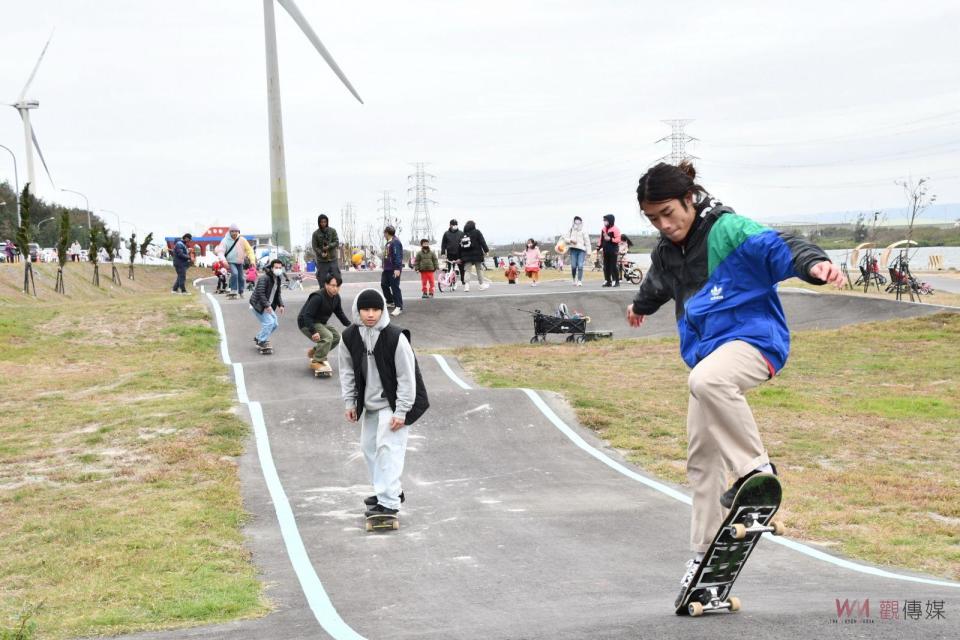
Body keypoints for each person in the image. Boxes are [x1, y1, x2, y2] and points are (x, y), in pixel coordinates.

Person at [624, 161, 845, 604]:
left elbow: (781, 245)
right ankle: (704, 557)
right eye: (653, 219)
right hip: (709, 357)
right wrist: (641, 305)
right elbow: (658, 282)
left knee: (707, 381)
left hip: (755, 342)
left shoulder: (728, 230)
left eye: (669, 212)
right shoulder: (667, 252)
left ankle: (756, 471)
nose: (665, 225)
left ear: (690, 198)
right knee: (701, 458)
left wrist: (814, 264)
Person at [339, 288, 429, 519]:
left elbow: (407, 377)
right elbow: (347, 372)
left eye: (376, 309)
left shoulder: (395, 337)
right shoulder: (349, 337)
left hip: (394, 403)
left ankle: (389, 504)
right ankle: (389, 492)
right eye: (365, 309)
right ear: (357, 311)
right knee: (369, 448)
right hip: (369, 404)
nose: (370, 314)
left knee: (388, 450)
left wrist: (401, 411)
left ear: (382, 310)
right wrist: (350, 402)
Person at [298, 272, 350, 374]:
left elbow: (340, 313)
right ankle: (316, 360)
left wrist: (350, 325)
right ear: (326, 285)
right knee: (328, 337)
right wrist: (313, 332)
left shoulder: (336, 297)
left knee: (337, 337)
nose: (336, 288)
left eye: (338, 286)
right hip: (306, 323)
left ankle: (315, 352)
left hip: (320, 322)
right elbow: (307, 315)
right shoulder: (317, 297)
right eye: (333, 285)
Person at [249, 258, 286, 352]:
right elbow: (260, 293)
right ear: (272, 268)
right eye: (276, 267)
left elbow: (277, 293)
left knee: (275, 324)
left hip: (267, 305)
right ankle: (261, 341)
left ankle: (259, 338)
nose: (278, 269)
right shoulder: (264, 278)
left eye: (280, 267)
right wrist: (267, 305)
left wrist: (281, 305)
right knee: (269, 322)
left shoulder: (278, 278)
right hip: (258, 305)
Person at [216, 224, 256, 299]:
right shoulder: (225, 240)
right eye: (232, 231)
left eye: (236, 231)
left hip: (240, 262)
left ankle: (241, 291)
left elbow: (249, 250)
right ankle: (234, 291)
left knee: (241, 277)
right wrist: (224, 261)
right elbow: (220, 252)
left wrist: (252, 260)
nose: (234, 233)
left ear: (238, 232)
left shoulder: (242, 240)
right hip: (230, 262)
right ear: (229, 232)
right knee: (235, 273)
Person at [459, 220, 489, 292]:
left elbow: (460, 246)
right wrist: (486, 250)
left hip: (466, 256)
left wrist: (460, 256)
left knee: (467, 270)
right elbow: (482, 241)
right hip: (477, 254)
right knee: (479, 269)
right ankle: (481, 285)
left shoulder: (463, 234)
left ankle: (466, 286)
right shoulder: (477, 232)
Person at [380, 226, 404, 316]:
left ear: (387, 233)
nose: (384, 235)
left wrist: (397, 268)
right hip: (387, 269)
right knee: (384, 284)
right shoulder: (388, 243)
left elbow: (397, 256)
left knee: (395, 287)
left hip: (393, 269)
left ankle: (399, 307)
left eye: (384, 233)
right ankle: (390, 301)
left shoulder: (395, 242)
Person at [311, 214, 341, 279]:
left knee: (337, 278)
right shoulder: (315, 234)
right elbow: (315, 247)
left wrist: (329, 246)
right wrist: (321, 253)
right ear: (319, 223)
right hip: (321, 261)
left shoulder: (332, 231)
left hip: (333, 259)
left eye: (325, 222)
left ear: (327, 222)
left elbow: (336, 242)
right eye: (321, 222)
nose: (323, 223)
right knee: (322, 280)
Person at [440, 219, 465, 289]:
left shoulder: (461, 233)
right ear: (450, 225)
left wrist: (464, 253)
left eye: (456, 225)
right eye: (453, 225)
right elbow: (443, 244)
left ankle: (463, 280)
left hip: (459, 254)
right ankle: (451, 281)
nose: (454, 226)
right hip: (450, 254)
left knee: (462, 268)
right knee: (450, 269)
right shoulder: (446, 233)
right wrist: (443, 252)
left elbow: (464, 243)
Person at [598, 214, 621, 287]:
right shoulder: (603, 229)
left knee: (613, 266)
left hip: (613, 250)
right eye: (604, 220)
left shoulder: (615, 229)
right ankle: (608, 281)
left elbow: (618, 239)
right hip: (606, 250)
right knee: (606, 266)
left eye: (606, 220)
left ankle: (616, 281)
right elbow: (601, 239)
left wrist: (610, 239)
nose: (604, 222)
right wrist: (598, 247)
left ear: (610, 220)